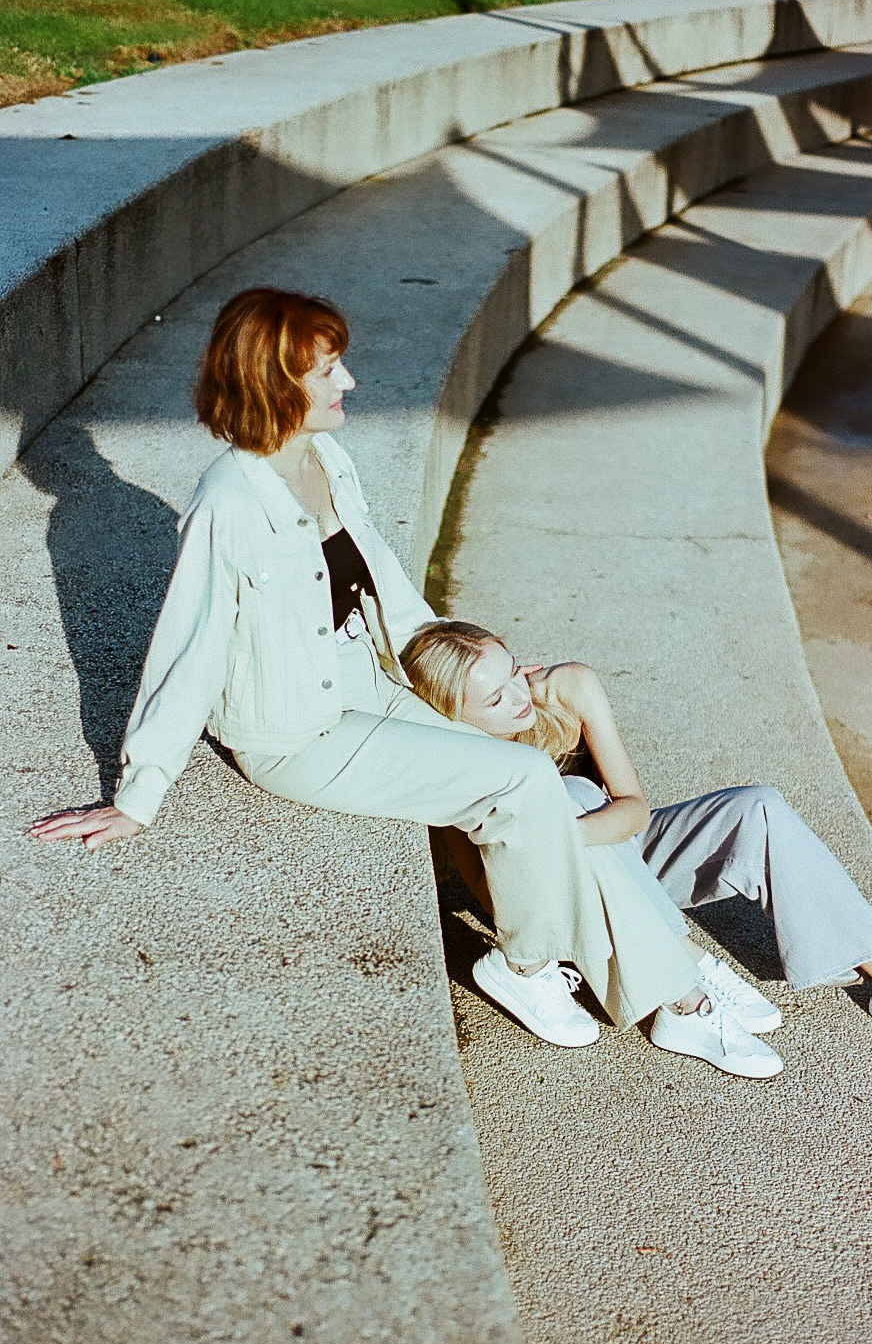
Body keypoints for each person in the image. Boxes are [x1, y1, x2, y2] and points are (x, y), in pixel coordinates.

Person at [29, 285, 781, 1075]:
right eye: (327, 370)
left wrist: (463, 668)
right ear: (275, 384)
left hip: (373, 687)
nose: (348, 381)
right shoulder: (227, 501)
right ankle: (555, 973)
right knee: (524, 780)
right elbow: (188, 647)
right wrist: (136, 797)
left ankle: (675, 975)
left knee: (545, 787)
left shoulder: (324, 458)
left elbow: (387, 586)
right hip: (301, 733)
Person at [397, 619, 872, 1064]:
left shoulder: (564, 688)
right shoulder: (464, 761)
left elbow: (633, 809)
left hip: (619, 850)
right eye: (495, 699)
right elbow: (498, 892)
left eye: (513, 671)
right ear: (455, 715)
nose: (521, 696)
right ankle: (685, 983)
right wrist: (565, 838)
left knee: (757, 807)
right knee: (573, 795)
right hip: (555, 894)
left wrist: (567, 834)